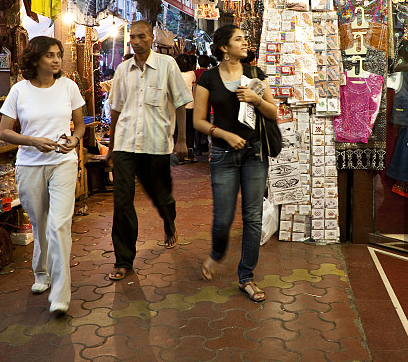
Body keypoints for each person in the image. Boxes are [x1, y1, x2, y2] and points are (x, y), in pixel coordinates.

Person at [0, 36, 86, 315]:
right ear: (35, 59)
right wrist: (33, 141)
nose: (57, 59)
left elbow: (81, 126)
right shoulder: (19, 91)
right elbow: (4, 132)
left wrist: (74, 140)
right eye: (50, 55)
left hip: (63, 162)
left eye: (58, 54)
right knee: (40, 223)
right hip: (30, 164)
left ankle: (60, 294)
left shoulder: (69, 87)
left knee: (59, 225)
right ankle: (41, 273)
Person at [193, 25, 278, 302]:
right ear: (224, 48)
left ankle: (247, 277)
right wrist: (225, 135)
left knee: (252, 218)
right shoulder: (208, 79)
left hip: (255, 153)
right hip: (222, 155)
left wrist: (256, 99)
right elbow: (199, 121)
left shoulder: (255, 75)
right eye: (238, 39)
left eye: (245, 39)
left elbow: (273, 112)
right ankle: (217, 255)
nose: (245, 43)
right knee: (223, 218)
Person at [104, 21, 193, 281]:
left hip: (156, 145)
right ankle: (123, 259)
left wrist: (182, 140)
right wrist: (110, 147)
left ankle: (169, 221)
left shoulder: (167, 66)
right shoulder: (122, 70)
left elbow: (180, 102)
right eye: (132, 37)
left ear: (152, 37)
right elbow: (116, 110)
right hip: (125, 145)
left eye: (141, 36)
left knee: (161, 196)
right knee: (122, 202)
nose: (136, 41)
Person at [175, 54, 198, 163]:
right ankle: (190, 154)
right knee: (190, 130)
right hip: (190, 105)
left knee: (177, 129)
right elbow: (194, 90)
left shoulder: (175, 74)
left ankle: (178, 156)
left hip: (178, 105)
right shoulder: (192, 74)